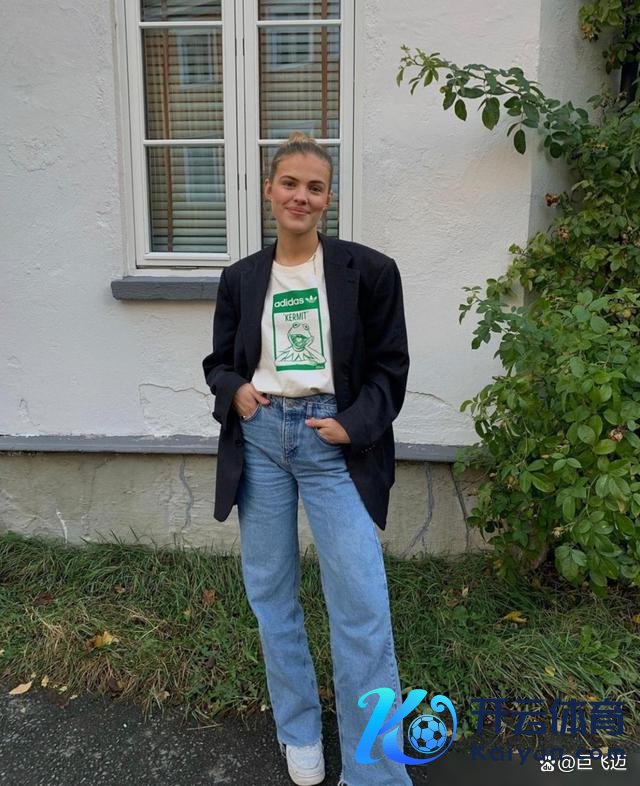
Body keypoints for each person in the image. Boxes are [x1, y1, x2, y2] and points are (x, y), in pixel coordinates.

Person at [202, 131, 413, 786]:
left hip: (332, 444)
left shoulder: (368, 272)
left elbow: (390, 368)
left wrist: (352, 426)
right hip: (262, 441)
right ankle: (299, 731)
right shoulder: (240, 278)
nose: (302, 196)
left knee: (361, 604)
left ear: (329, 198)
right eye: (290, 183)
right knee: (272, 594)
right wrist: (235, 389)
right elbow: (219, 363)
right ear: (269, 190)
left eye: (315, 187)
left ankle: (374, 772)